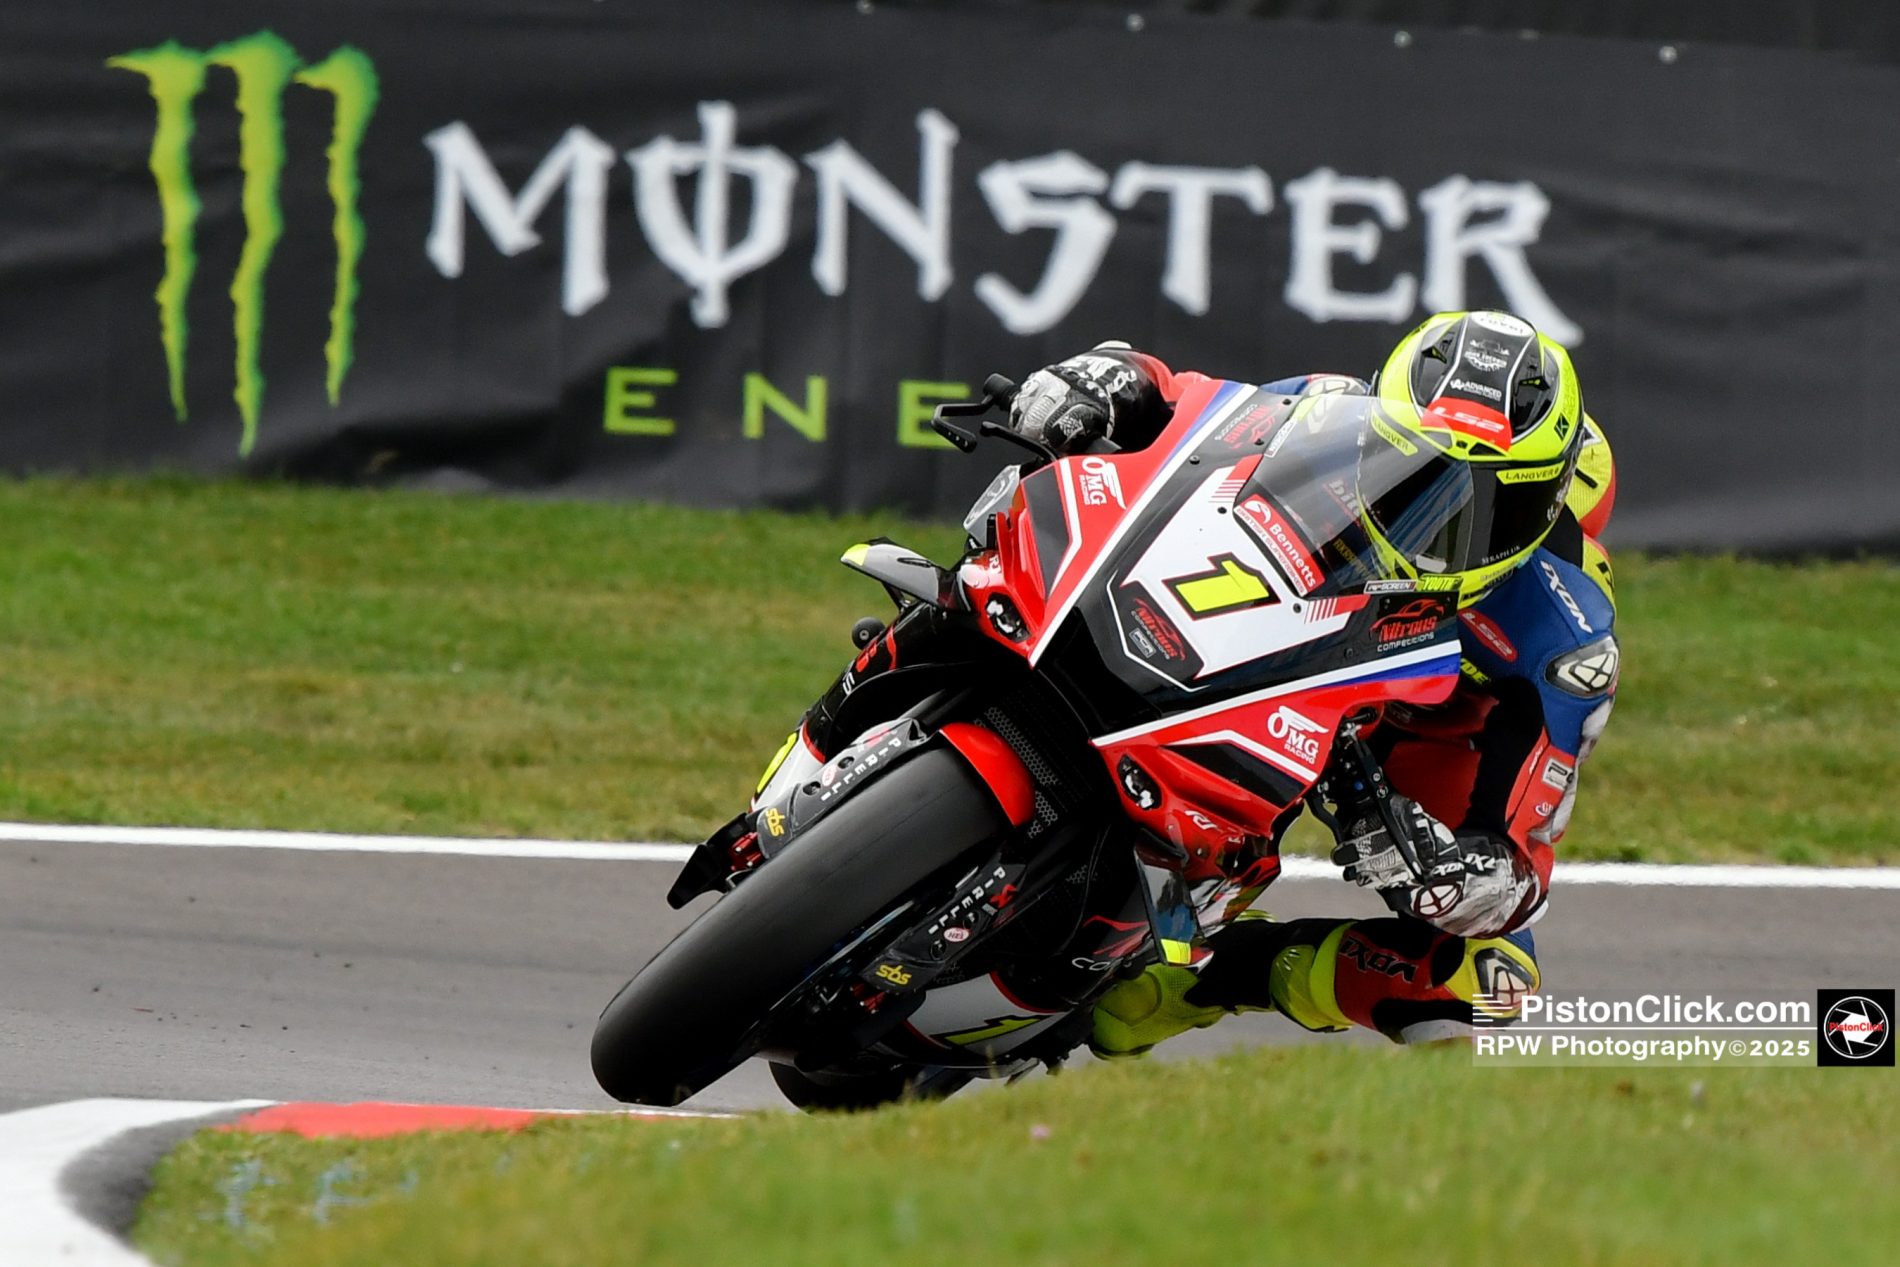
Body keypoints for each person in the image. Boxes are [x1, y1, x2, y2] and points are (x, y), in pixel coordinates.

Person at [1005, 311, 1620, 1050]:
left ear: (1549, 511)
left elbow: (1521, 864)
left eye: (1493, 506)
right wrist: (1113, 381)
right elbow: (1193, 409)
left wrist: (1464, 869)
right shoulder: (1328, 410)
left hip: (1390, 746)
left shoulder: (1566, 635)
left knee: (1492, 983)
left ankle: (1213, 974)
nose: (1446, 519)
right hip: (1260, 619)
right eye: (1418, 466)